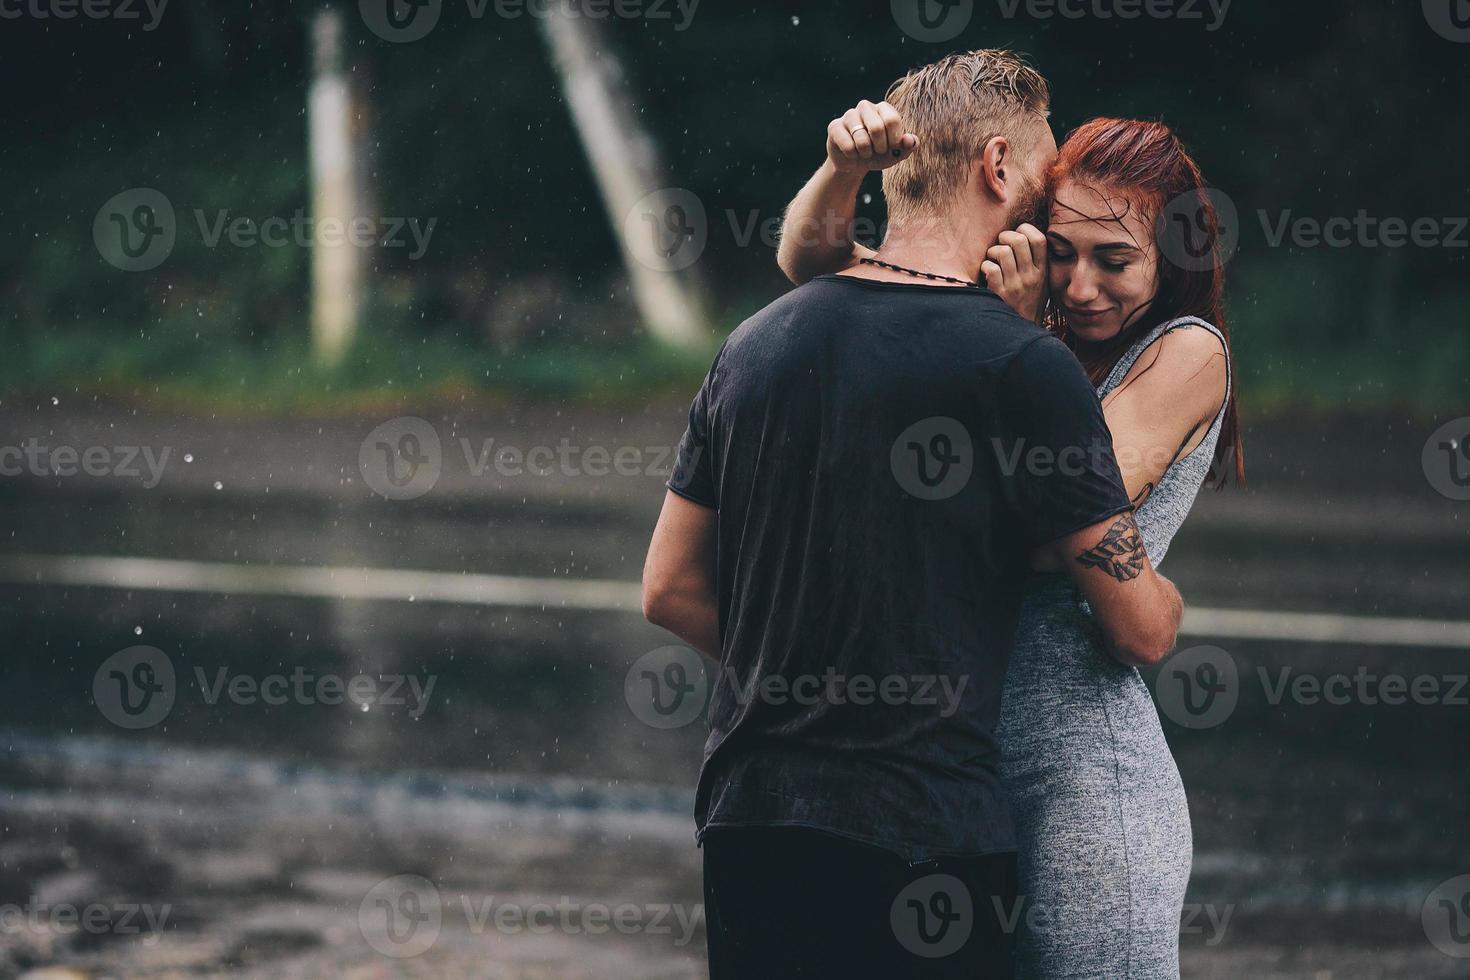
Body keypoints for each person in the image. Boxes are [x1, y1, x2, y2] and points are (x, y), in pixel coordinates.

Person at [642, 50, 1184, 979]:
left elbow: (668, 590)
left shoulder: (754, 345)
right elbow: (1139, 629)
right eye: (1048, 175)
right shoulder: (1020, 367)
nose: (1053, 209)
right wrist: (1169, 601)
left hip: (751, 825)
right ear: (999, 164)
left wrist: (807, 679)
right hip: (926, 841)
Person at [777, 84, 1242, 977]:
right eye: (1062, 254)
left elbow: (1057, 515)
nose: (1082, 285)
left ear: (1174, 257)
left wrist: (1019, 328)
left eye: (1116, 260)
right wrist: (841, 170)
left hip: (1082, 769)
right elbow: (818, 271)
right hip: (964, 762)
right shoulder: (1029, 322)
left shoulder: (1184, 350)